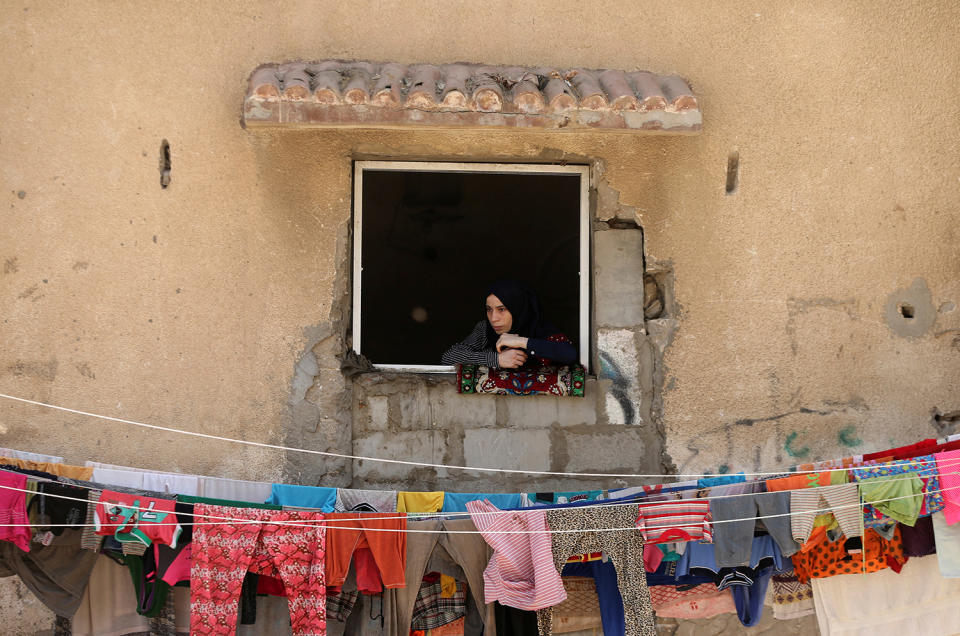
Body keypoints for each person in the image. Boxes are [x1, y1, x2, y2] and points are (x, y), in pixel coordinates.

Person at [441, 280, 577, 369]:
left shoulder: (538, 328)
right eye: (489, 310)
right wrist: (496, 359)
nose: (493, 318)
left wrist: (522, 342)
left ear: (518, 309)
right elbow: (449, 357)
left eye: (502, 309)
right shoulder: (486, 329)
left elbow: (569, 354)